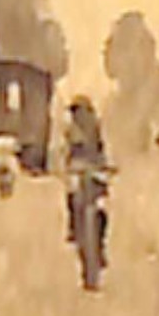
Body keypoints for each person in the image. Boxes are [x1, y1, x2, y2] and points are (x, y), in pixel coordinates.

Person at [64, 96, 111, 268]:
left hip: (94, 170)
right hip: (84, 170)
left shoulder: (90, 127)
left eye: (77, 111)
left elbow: (103, 148)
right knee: (74, 196)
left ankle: (100, 241)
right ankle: (74, 229)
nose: (76, 115)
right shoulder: (73, 129)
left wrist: (106, 166)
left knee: (100, 207)